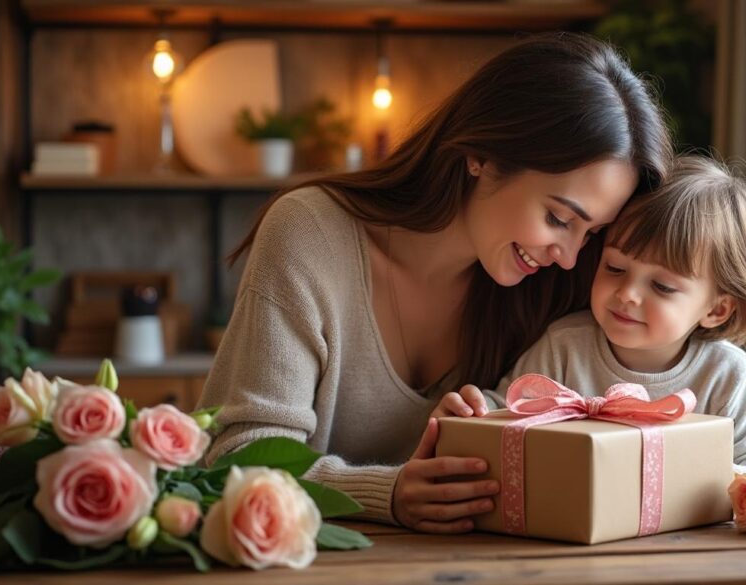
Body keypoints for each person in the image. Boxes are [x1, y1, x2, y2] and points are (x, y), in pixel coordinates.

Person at [196, 32, 673, 534]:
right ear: (482, 156)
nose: (571, 256)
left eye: (592, 233)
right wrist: (389, 493)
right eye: (558, 217)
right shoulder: (310, 233)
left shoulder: (556, 288)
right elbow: (238, 457)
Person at [435, 155, 746, 472]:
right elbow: (508, 411)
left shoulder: (726, 376)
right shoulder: (566, 347)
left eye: (661, 287)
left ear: (718, 309)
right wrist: (472, 412)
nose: (628, 294)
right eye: (615, 268)